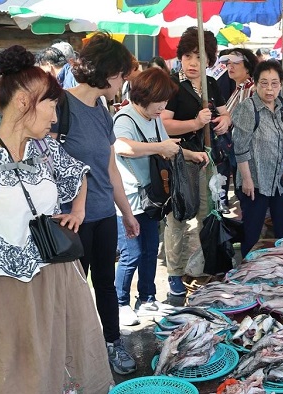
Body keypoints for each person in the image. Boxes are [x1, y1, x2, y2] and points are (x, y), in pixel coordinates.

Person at [0, 45, 114, 393]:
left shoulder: (46, 148)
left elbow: (80, 175)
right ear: (23, 102)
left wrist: (77, 212)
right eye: (50, 106)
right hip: (6, 286)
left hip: (60, 275)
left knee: (70, 363)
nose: (55, 118)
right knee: (19, 374)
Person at [50, 32, 141, 375]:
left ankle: (112, 343)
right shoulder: (61, 106)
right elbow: (47, 164)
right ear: (106, 72)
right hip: (71, 221)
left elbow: (109, 166)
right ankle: (70, 356)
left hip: (104, 215)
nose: (123, 82)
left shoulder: (103, 110)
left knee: (105, 283)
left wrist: (127, 214)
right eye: (121, 75)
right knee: (72, 293)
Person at [114, 68, 209, 325]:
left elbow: (168, 145)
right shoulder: (126, 117)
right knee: (131, 253)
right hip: (128, 199)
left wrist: (191, 155)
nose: (163, 107)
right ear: (145, 96)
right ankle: (120, 303)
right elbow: (121, 146)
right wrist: (158, 147)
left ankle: (147, 299)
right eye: (161, 102)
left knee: (148, 250)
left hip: (151, 198)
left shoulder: (153, 116)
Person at [161, 26, 228, 296]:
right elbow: (163, 125)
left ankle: (203, 265)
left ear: (210, 60)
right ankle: (174, 274)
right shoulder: (172, 86)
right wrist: (194, 122)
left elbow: (224, 114)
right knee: (177, 218)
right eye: (188, 56)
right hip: (180, 160)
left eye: (200, 57)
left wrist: (224, 120)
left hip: (208, 161)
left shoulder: (211, 84)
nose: (192, 63)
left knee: (206, 214)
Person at [232, 60, 283, 256]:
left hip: (279, 181)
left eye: (274, 83)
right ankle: (247, 273)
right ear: (255, 83)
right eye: (264, 83)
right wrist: (247, 179)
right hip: (255, 183)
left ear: (280, 84)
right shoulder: (248, 108)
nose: (269, 89)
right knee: (252, 233)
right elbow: (240, 147)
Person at [218, 48, 259, 214]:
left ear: (247, 67)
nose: (230, 67)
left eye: (236, 63)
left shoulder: (252, 89)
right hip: (235, 147)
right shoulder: (239, 88)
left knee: (246, 192)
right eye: (229, 64)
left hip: (246, 150)